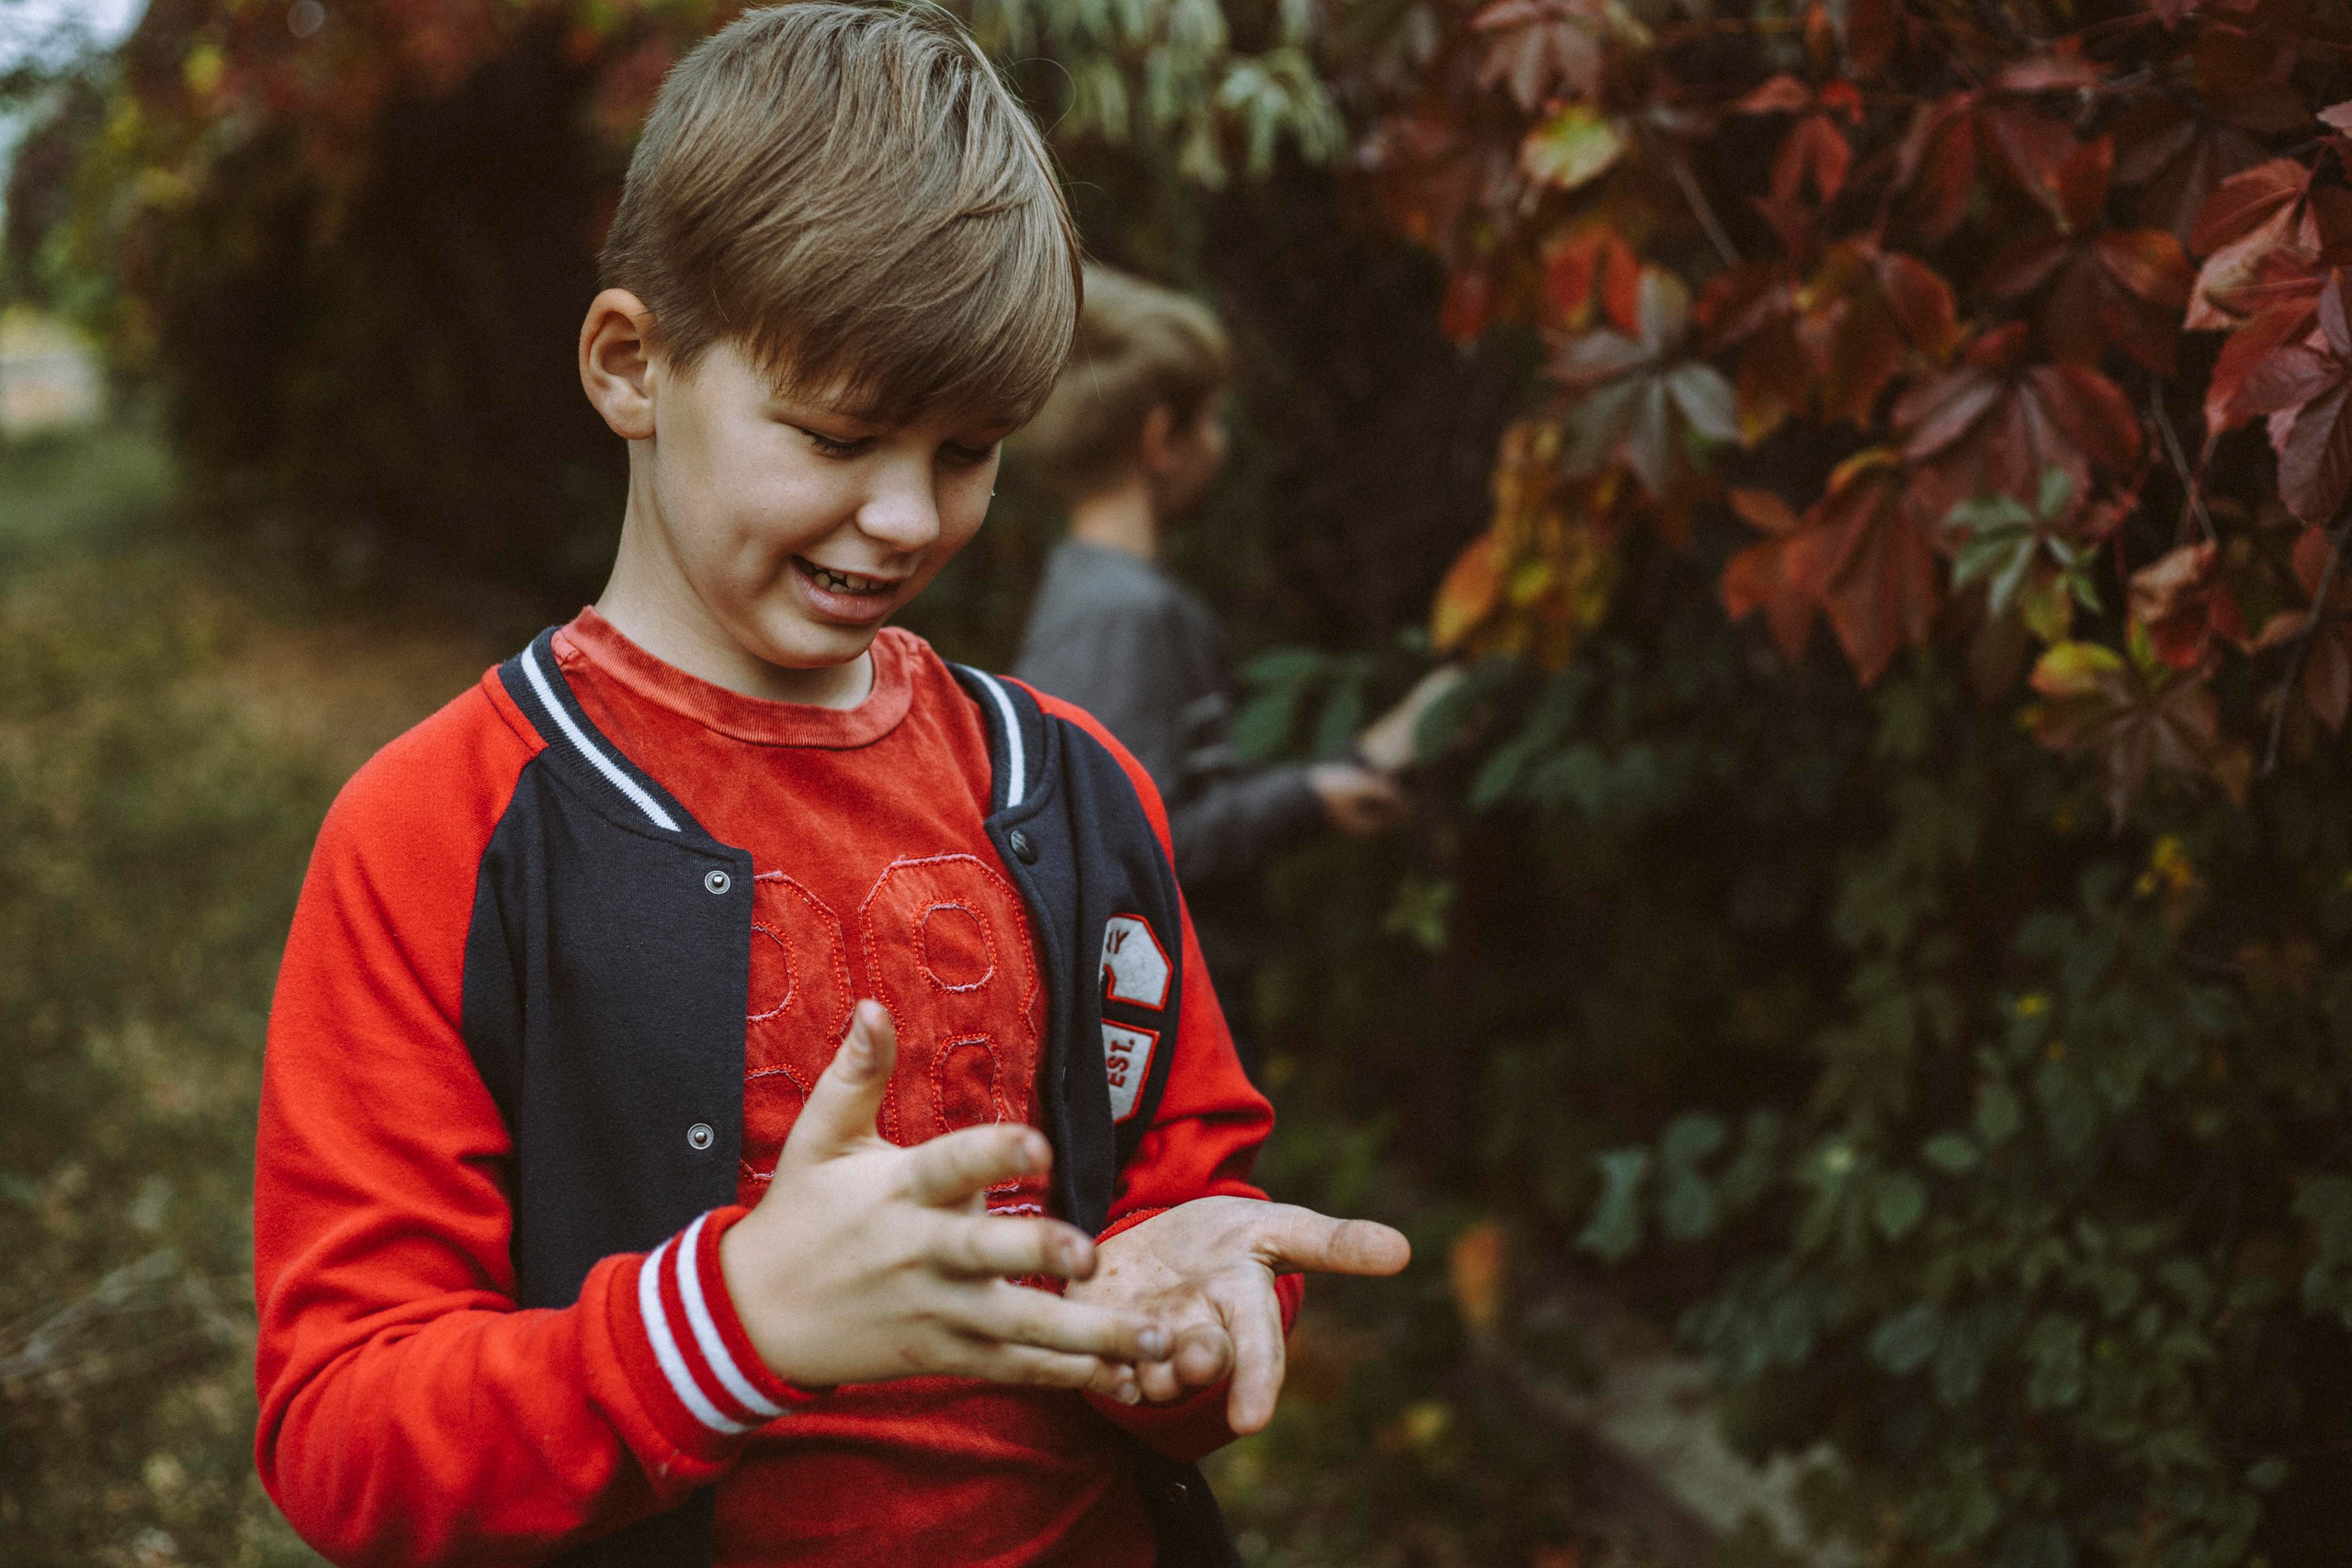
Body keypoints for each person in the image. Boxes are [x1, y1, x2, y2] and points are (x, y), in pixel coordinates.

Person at [248, 9, 1408, 1568]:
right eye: (840, 435)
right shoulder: (437, 832)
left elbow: (1178, 1185)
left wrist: (1190, 1320)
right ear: (631, 365)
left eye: (968, 450)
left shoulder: (1075, 789)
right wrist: (727, 1322)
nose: (909, 516)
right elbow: (343, 1431)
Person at [1011, 267, 1410, 1055]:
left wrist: (1345, 769)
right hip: (1169, 1033)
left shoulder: (1086, 592)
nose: (1223, 445)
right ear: (1163, 440)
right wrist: (1308, 798)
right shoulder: (1127, 614)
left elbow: (1172, 798)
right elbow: (1141, 844)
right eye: (1216, 420)